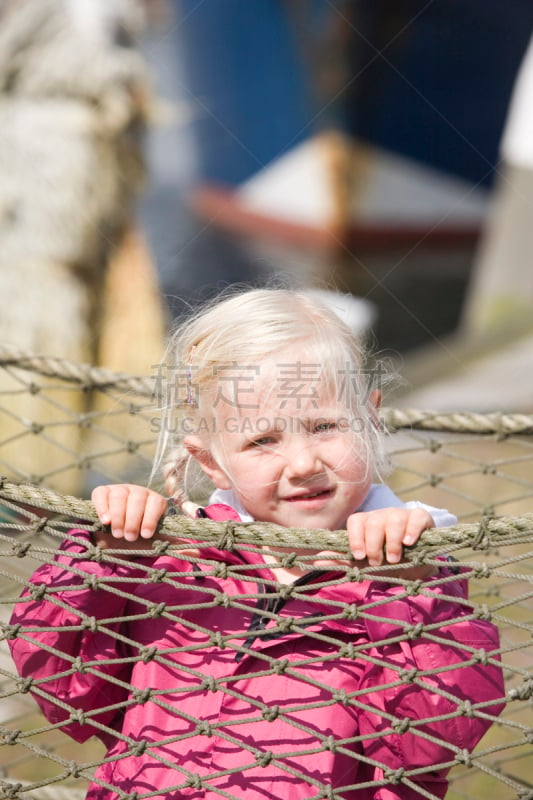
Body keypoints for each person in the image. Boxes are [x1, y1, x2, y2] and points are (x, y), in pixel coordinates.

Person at [9, 289, 504, 800]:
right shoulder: (172, 556)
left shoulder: (414, 569)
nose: (304, 463)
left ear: (371, 420)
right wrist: (102, 559)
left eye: (325, 426)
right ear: (212, 462)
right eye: (262, 441)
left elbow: (432, 745)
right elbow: (64, 690)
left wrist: (403, 595)